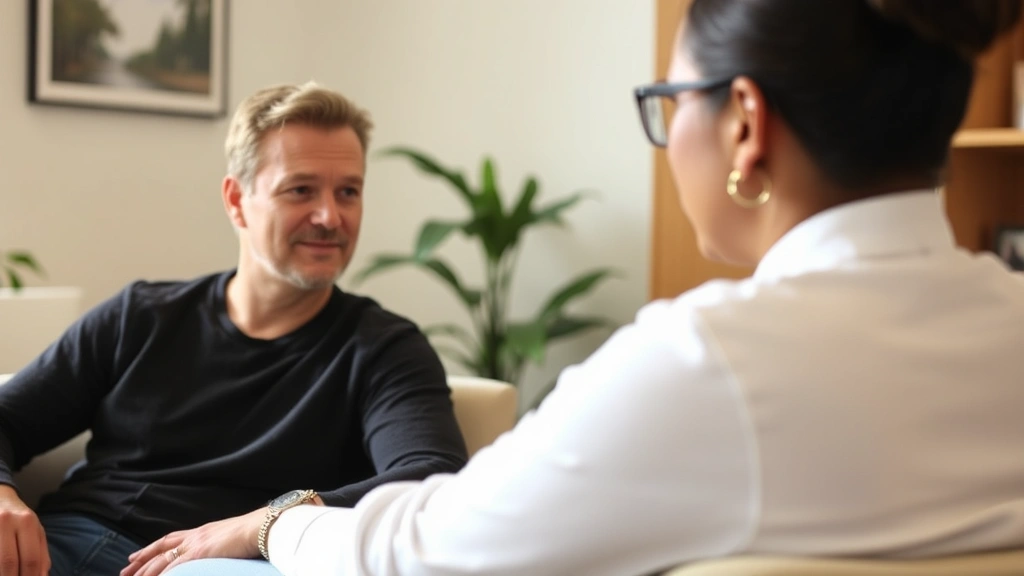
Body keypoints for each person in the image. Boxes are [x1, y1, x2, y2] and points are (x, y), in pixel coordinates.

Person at [165, 1, 1024, 575]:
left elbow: (432, 553)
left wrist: (274, 525)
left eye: (670, 99)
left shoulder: (710, 362)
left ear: (745, 125)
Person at [0, 82, 468, 576]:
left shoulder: (383, 349)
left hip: (230, 564)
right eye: (301, 190)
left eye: (348, 191)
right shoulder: (139, 316)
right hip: (68, 546)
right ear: (236, 199)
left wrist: (263, 525)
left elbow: (431, 479)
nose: (331, 216)